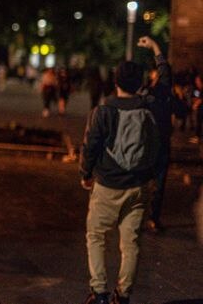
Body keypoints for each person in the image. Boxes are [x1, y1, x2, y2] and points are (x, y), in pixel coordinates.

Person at [80, 61, 160, 304]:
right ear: (140, 83)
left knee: (96, 236)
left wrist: (86, 174)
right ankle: (123, 294)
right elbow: (156, 145)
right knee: (131, 242)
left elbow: (91, 145)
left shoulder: (104, 111)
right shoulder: (148, 110)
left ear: (115, 82)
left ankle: (100, 292)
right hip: (138, 186)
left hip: (108, 185)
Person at [136, 36, 173, 233]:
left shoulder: (147, 94)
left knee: (144, 183)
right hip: (156, 143)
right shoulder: (155, 92)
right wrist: (155, 47)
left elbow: (164, 71)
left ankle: (145, 217)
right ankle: (151, 218)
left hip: (148, 144)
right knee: (154, 184)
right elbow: (165, 71)